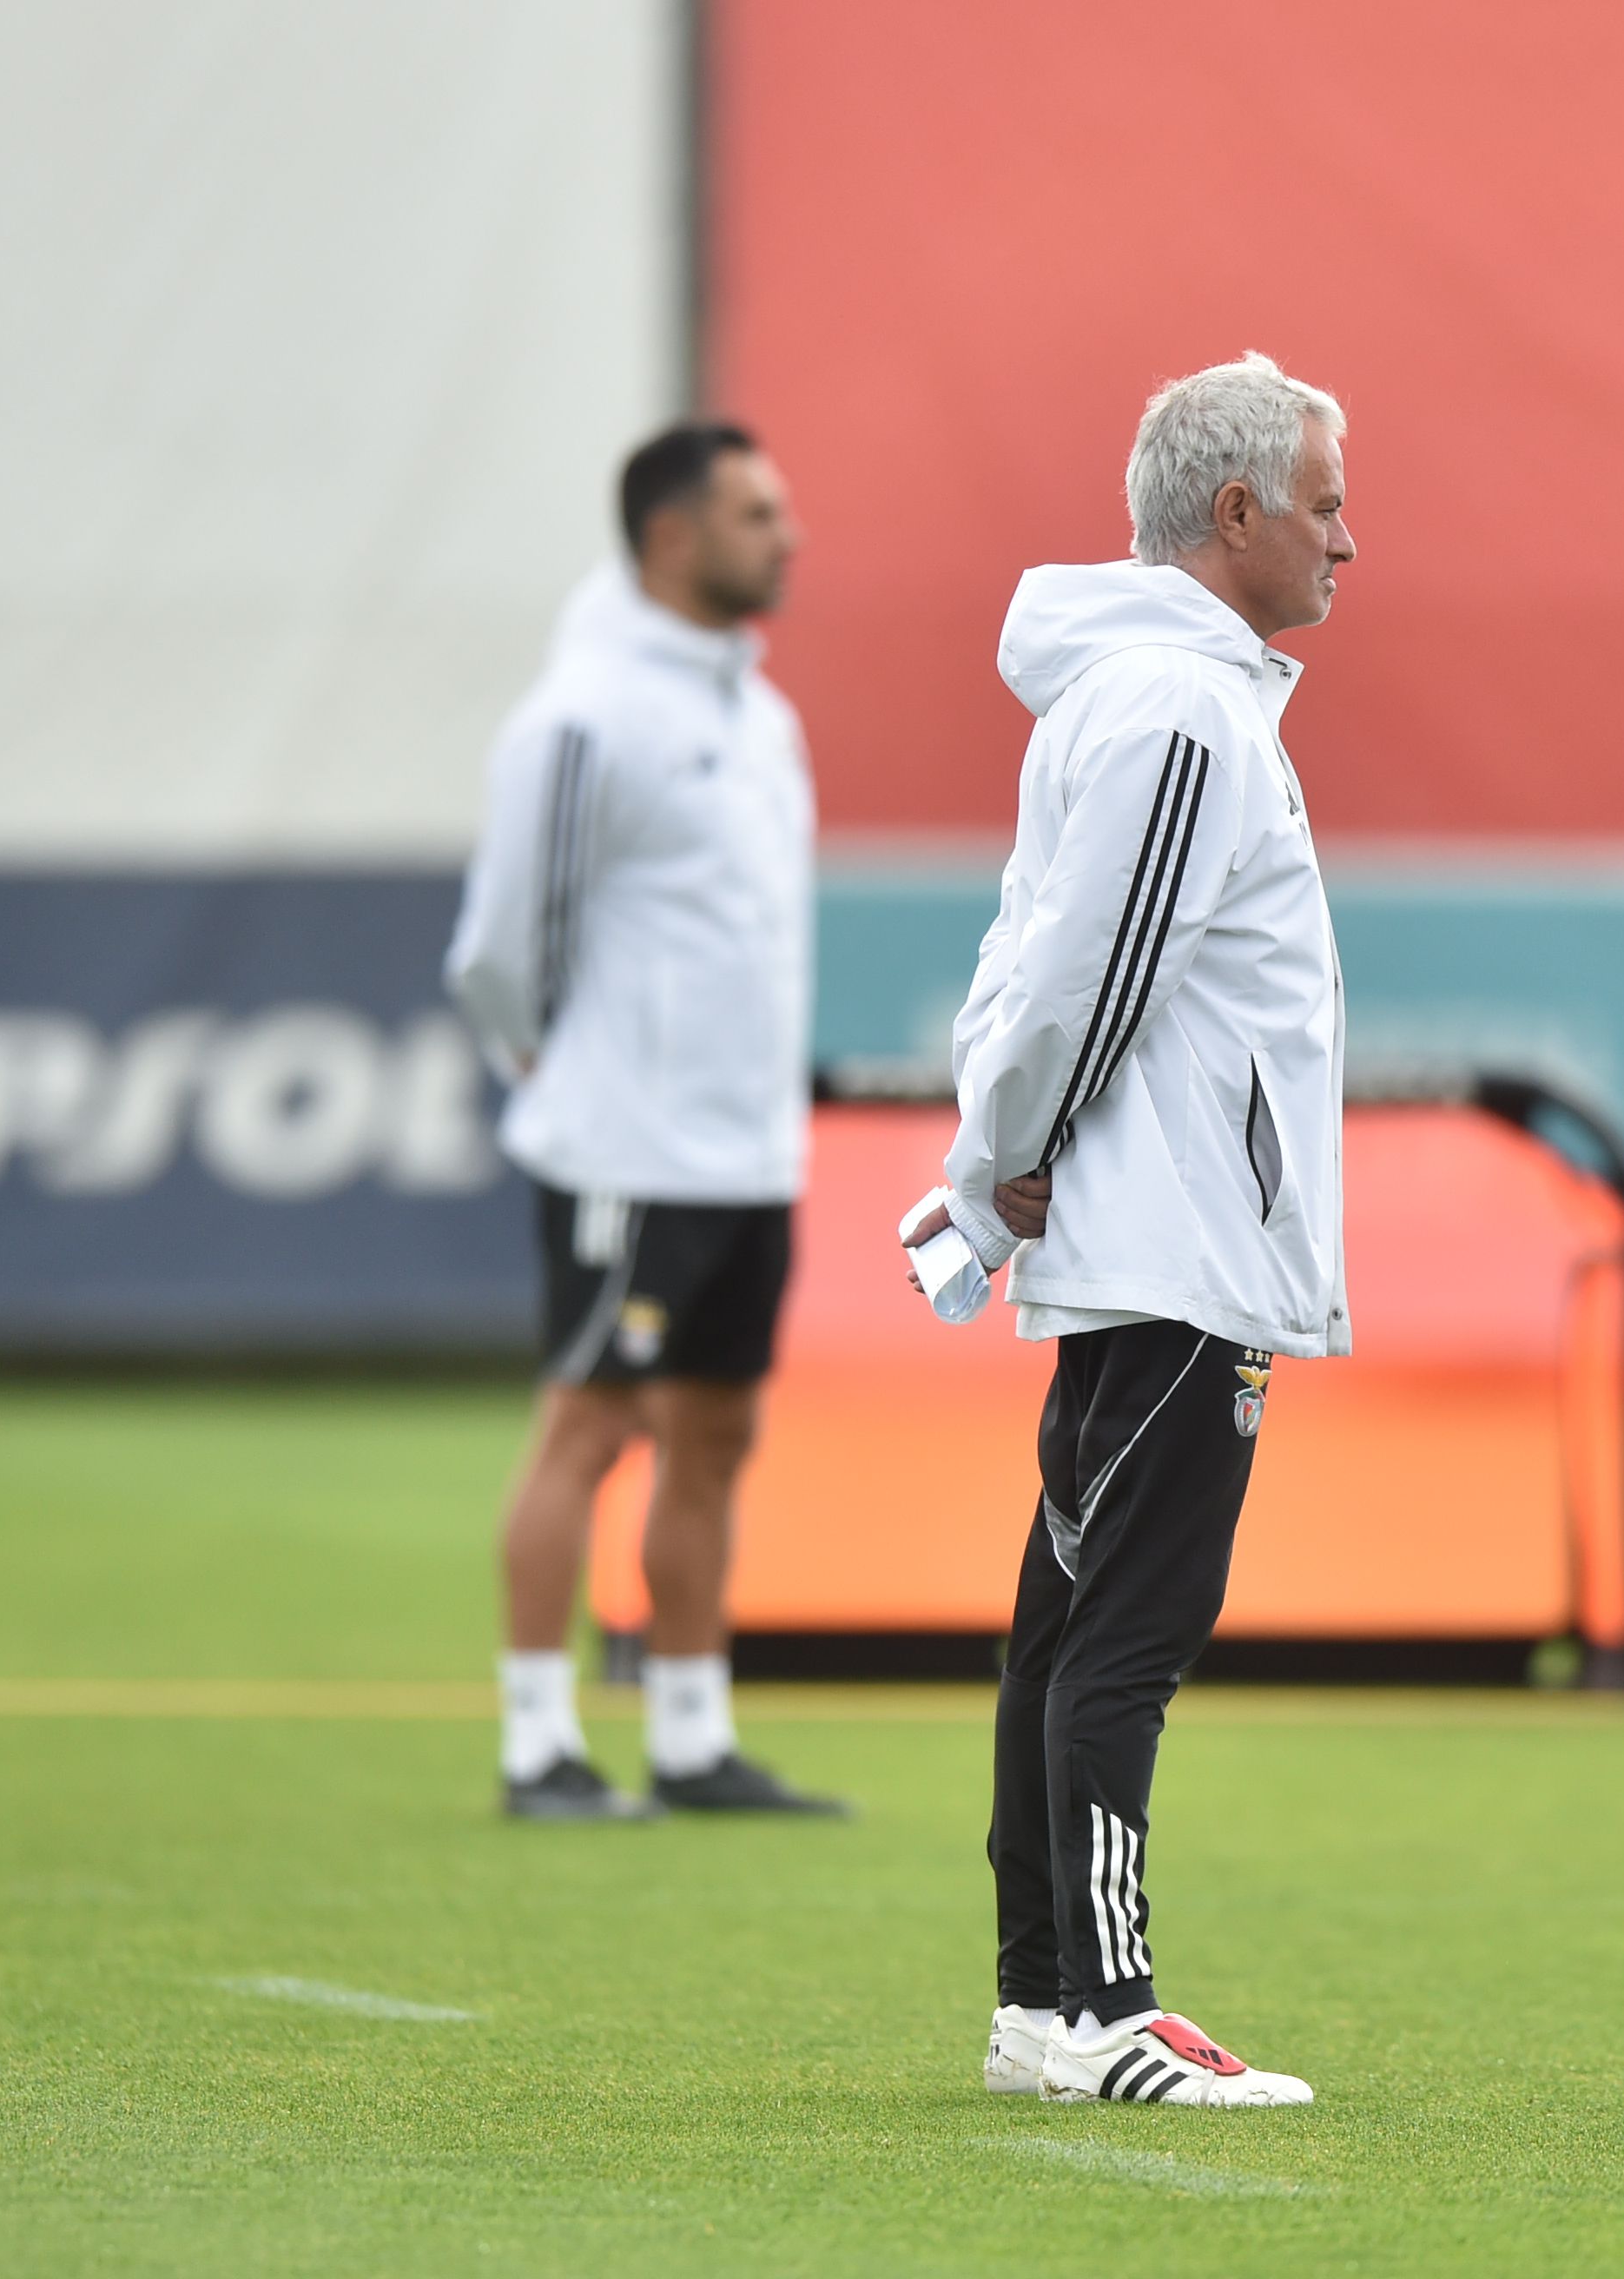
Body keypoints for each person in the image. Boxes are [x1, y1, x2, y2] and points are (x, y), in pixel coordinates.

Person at [901, 353, 1355, 2104]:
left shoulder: (1133, 697)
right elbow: (1096, 968)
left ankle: (1039, 2006)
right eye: (1325, 501)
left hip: (1142, 1229)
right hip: (1175, 1240)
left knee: (1068, 1622)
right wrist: (1000, 1158)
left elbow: (1031, 954)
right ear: (1234, 512)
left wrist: (995, 1156)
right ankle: (1109, 2008)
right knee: (1127, 1635)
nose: (1346, 541)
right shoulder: (1182, 710)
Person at [446, 421, 845, 1820]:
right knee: (590, 1426)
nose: (788, 536)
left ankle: (689, 1738)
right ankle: (537, 1743)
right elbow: (504, 941)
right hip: (627, 1149)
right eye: (757, 512)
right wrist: (560, 1082)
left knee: (716, 1434)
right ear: (671, 538)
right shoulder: (582, 714)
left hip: (746, 1153)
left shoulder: (761, 715)